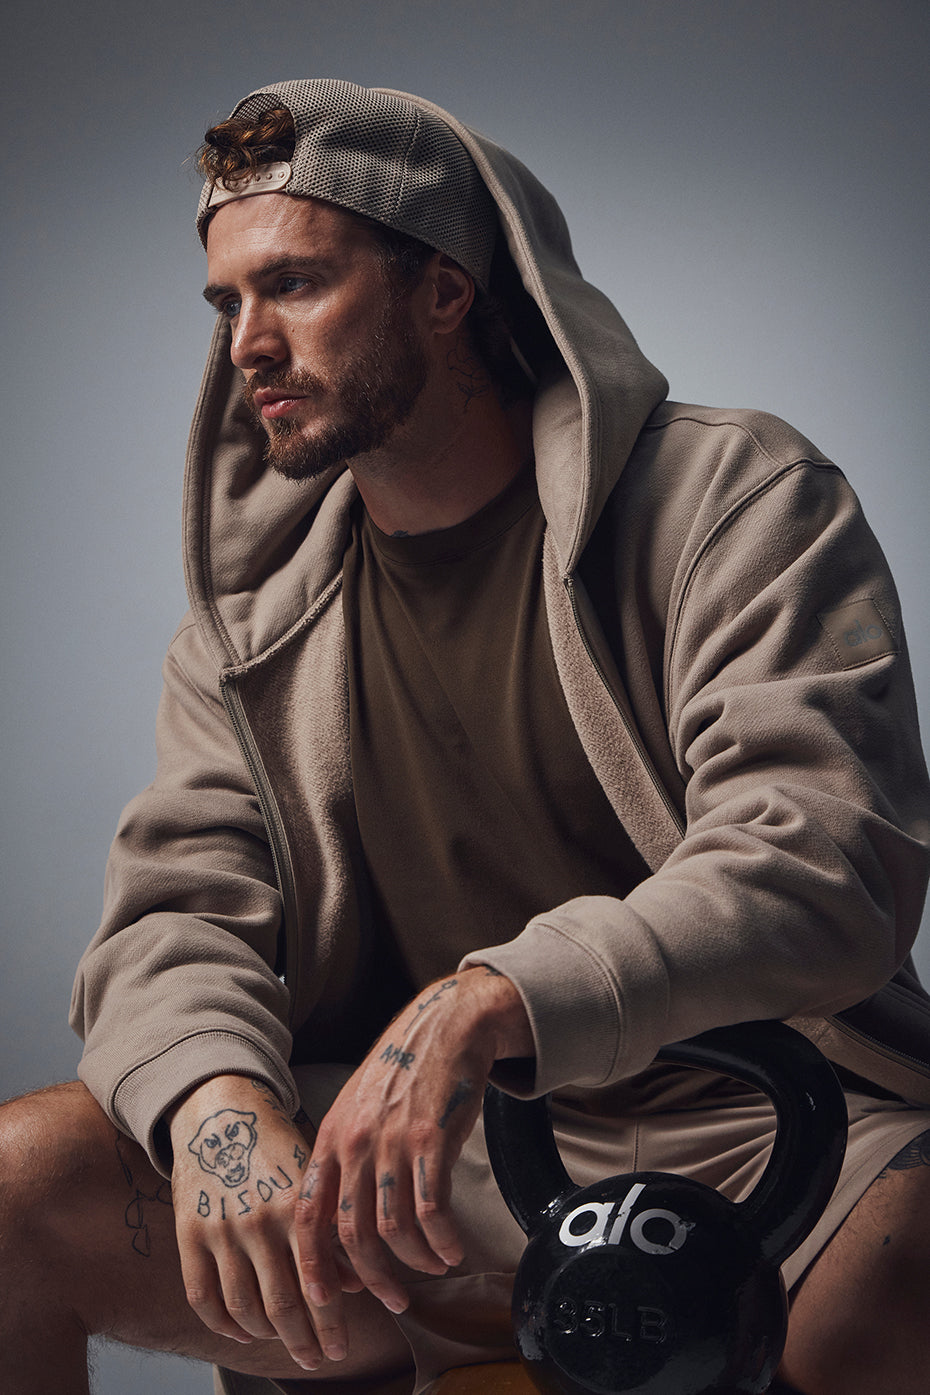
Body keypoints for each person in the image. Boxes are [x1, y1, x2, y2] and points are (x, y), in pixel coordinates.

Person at [3, 78, 930, 1395]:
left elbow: (817, 860)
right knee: (19, 1186)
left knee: (909, 1260)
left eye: (294, 285)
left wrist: (491, 997)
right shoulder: (247, 624)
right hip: (410, 1171)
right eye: (226, 303)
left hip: (761, 1126)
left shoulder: (736, 498)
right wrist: (215, 1103)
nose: (246, 344)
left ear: (445, 290)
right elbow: (174, 917)